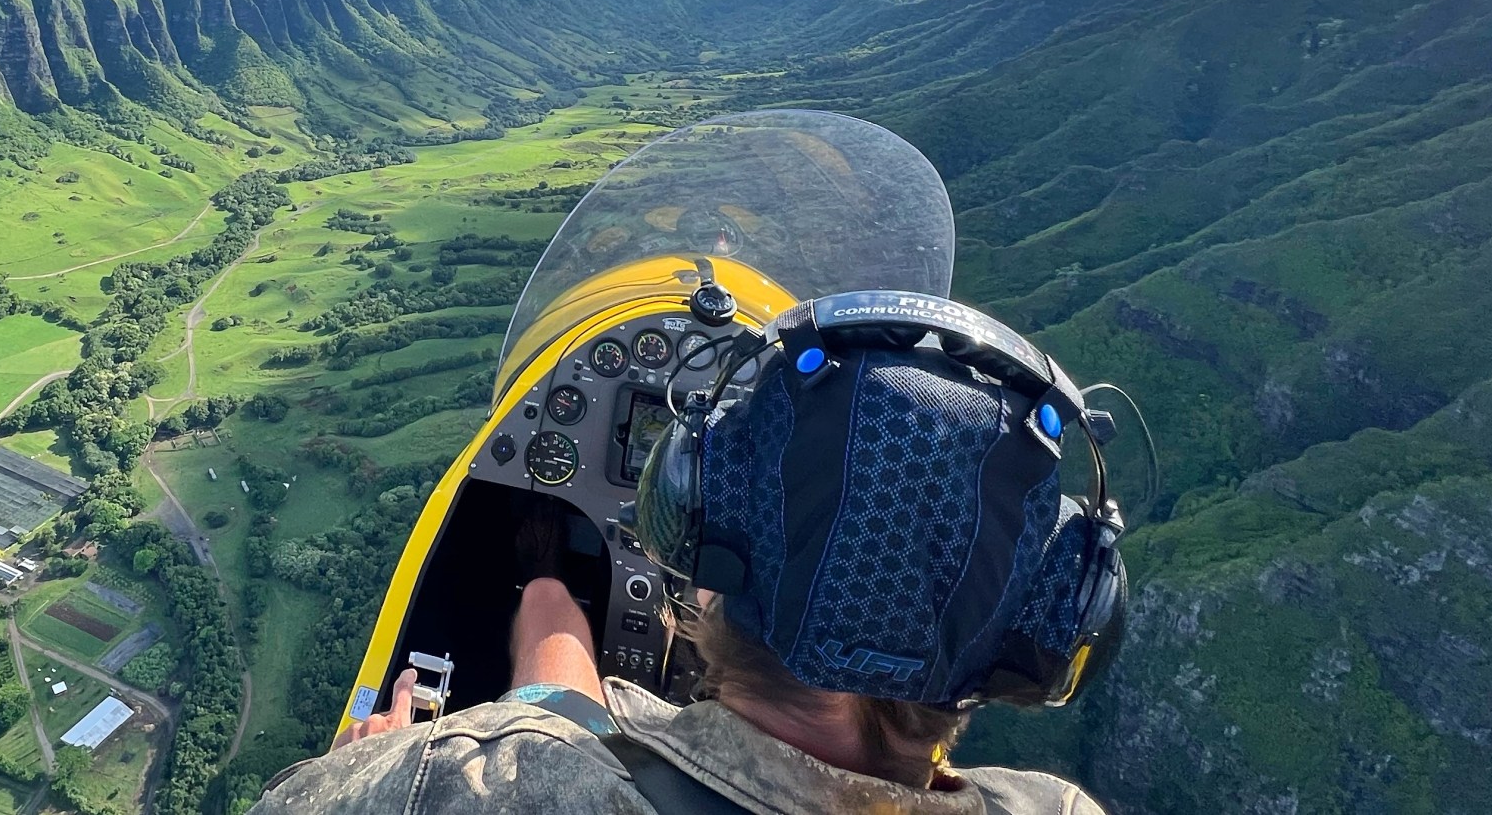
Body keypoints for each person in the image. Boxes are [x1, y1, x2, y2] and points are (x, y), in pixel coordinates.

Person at [249, 333, 1117, 815]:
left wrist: (378, 772)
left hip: (548, 740)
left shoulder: (455, 787)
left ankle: (543, 581)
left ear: (700, 578)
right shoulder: (1056, 811)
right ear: (1037, 640)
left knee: (556, 661)